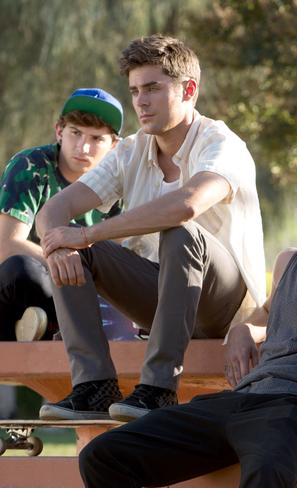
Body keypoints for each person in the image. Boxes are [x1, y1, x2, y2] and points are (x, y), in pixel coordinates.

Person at [78, 142, 297, 488]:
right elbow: (266, 312)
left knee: (266, 475)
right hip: (244, 399)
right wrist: (243, 330)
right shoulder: (289, 261)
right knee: (104, 457)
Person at [35, 34, 266, 422]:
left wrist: (87, 233)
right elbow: (56, 209)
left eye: (153, 89)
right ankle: (93, 386)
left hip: (223, 305)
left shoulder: (222, 144)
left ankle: (158, 389)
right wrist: (59, 244)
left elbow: (187, 204)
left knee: (180, 229)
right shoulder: (132, 150)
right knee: (69, 246)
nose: (141, 101)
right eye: (135, 91)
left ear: (189, 90)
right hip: (161, 297)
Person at [0, 88, 123, 342]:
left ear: (114, 145)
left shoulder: (120, 184)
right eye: (75, 133)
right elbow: (6, 245)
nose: (83, 147)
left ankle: (42, 327)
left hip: (86, 296)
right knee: (21, 269)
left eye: (97, 138)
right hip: (29, 286)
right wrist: (65, 260)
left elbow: (121, 256)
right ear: (59, 131)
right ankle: (41, 325)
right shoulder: (31, 165)